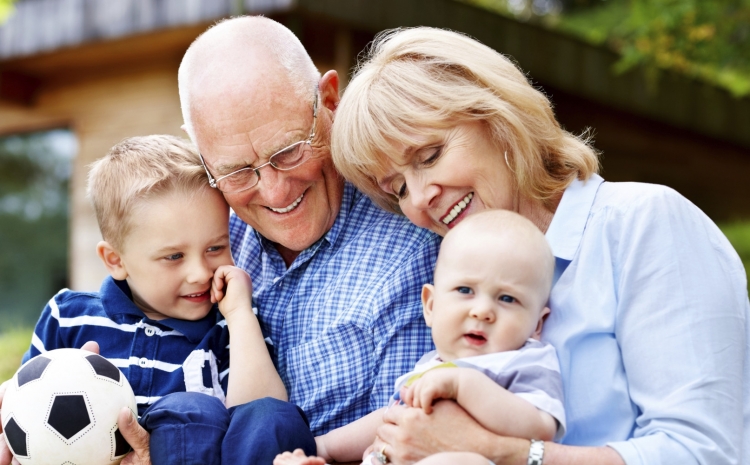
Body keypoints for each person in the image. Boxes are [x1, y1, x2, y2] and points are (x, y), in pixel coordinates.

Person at [331, 27, 750, 465]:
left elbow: (701, 454)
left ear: (497, 118)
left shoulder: (643, 223)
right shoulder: (455, 282)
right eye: (397, 187)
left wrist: (503, 453)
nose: (419, 199)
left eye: (430, 155)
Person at [176, 16, 441, 439]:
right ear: (204, 158)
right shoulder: (201, 243)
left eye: (290, 151)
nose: (276, 192)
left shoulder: (412, 248)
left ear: (330, 100)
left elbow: (403, 445)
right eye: (239, 172)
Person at [1, 135, 311, 465]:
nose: (199, 273)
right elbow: (24, 412)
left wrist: (239, 316)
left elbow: (264, 417)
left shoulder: (227, 327)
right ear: (116, 260)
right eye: (174, 256)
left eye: (215, 248)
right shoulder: (69, 317)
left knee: (197, 411)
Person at [276, 210, 566, 465]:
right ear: (431, 305)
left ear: (536, 324)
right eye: (465, 290)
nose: (482, 311)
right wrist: (324, 446)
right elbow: (390, 418)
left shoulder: (526, 360)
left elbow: (540, 428)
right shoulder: (430, 364)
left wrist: (464, 384)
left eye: (507, 298)